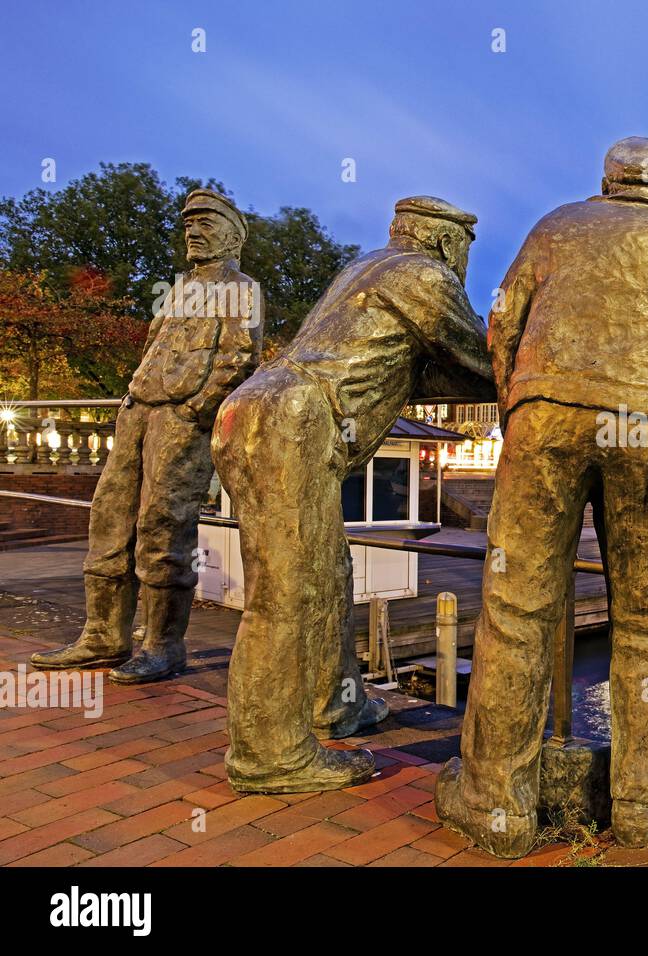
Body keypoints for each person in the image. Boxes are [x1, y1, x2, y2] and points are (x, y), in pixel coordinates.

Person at [435, 137, 648, 856]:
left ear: (607, 184)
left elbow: (500, 327)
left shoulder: (555, 226)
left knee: (515, 608)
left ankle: (495, 803)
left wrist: (518, 405)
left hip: (545, 418)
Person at [211, 196, 492, 793]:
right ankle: (268, 755)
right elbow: (481, 365)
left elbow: (411, 364)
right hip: (298, 418)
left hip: (260, 406)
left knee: (329, 572)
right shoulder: (425, 274)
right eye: (466, 249)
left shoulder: (365, 267)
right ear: (448, 243)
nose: (465, 263)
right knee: (285, 591)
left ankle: (336, 703)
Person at [31, 189, 261, 684]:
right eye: (187, 224)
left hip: (179, 419)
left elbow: (242, 357)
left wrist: (196, 409)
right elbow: (156, 347)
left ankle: (163, 645)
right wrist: (132, 402)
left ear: (233, 235)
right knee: (109, 517)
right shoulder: (179, 288)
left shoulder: (242, 289)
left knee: (163, 524)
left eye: (204, 223)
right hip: (138, 410)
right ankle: (103, 635)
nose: (193, 232)